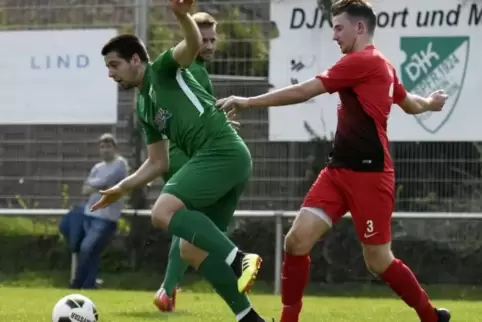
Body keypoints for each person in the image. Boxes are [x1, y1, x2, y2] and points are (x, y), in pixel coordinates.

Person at [216, 1, 451, 321]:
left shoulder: (363, 62)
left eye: (339, 28)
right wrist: (431, 104)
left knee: (378, 261)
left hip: (371, 177)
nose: (334, 35)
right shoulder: (381, 65)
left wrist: (247, 101)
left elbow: (305, 91)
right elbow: (410, 103)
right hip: (337, 172)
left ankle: (430, 315)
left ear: (360, 28)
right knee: (296, 241)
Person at [93, 1, 266, 321]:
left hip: (221, 151)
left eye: (114, 65)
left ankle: (240, 259)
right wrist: (120, 187)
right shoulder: (143, 106)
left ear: (135, 60)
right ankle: (248, 318)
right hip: (224, 159)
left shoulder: (162, 68)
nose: (110, 73)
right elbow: (157, 162)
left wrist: (181, 15)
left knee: (163, 212)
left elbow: (193, 44)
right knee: (190, 250)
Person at [152, 11, 241, 313]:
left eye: (214, 39)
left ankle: (169, 289)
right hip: (191, 157)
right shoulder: (191, 69)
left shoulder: (193, 70)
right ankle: (171, 287)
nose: (211, 45)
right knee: (191, 227)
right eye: (204, 39)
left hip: (185, 154)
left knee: (184, 227)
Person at [60, 133, 128, 289]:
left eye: (108, 146)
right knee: (90, 251)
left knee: (87, 248)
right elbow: (85, 189)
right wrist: (96, 186)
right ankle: (90, 284)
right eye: (102, 147)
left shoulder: (120, 164)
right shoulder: (97, 167)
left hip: (106, 217)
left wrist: (94, 185)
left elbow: (107, 182)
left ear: (115, 148)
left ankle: (76, 283)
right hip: (89, 213)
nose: (105, 150)